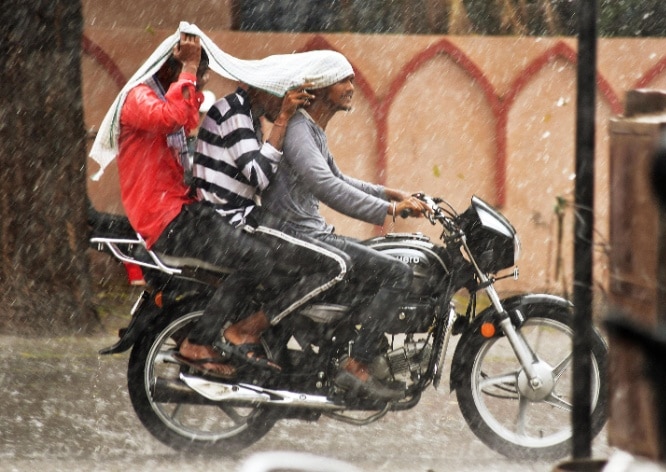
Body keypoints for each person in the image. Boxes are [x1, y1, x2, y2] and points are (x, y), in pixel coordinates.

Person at [103, 30, 347, 378]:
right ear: (168, 68)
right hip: (169, 218)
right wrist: (189, 64)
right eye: (199, 74)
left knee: (275, 260)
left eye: (201, 75)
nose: (201, 83)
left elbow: (184, 119)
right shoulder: (138, 98)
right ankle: (201, 341)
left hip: (183, 210)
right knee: (259, 257)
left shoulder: (232, 112)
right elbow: (174, 116)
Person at [262, 52, 429, 401]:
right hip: (297, 234)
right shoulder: (298, 129)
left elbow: (338, 178)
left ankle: (339, 350)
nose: (351, 87)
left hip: (307, 232)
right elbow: (326, 186)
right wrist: (390, 209)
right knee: (397, 274)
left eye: (352, 80)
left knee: (373, 269)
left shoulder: (312, 131)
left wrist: (393, 192)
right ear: (321, 87)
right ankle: (356, 364)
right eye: (343, 80)